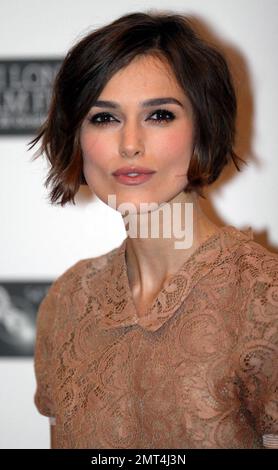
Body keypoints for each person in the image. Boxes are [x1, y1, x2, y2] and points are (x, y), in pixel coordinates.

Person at [28, 10, 278, 449]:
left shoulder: (265, 298)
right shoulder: (66, 302)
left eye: (159, 115)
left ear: (204, 128)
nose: (129, 144)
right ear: (77, 139)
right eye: (104, 118)